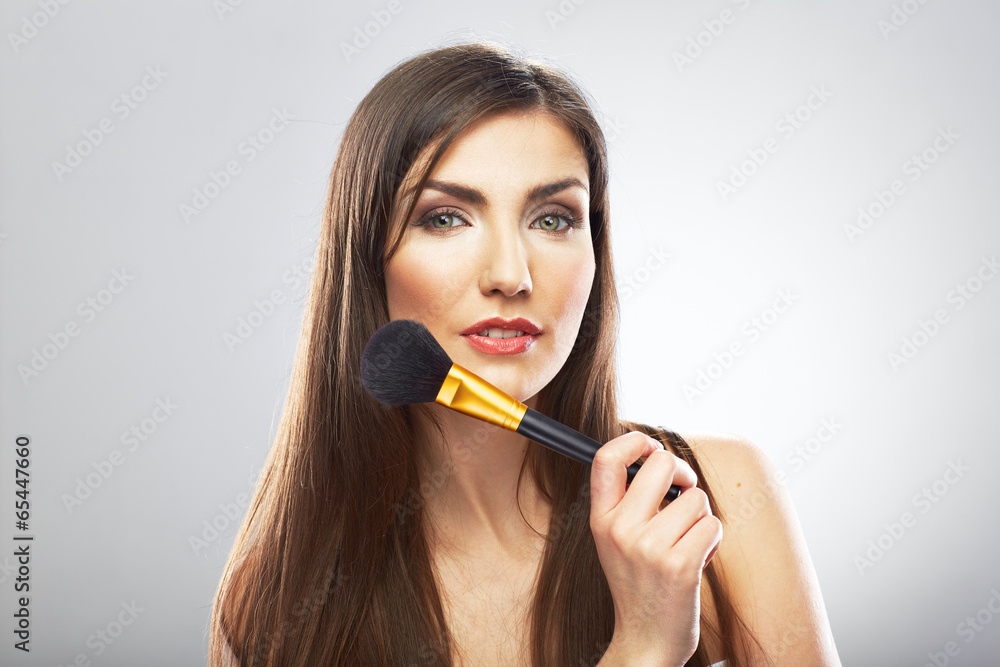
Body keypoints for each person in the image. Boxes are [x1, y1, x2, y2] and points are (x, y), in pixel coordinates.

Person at [208, 41, 841, 666]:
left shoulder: (719, 498)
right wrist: (644, 650)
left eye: (553, 219)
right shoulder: (276, 601)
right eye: (446, 217)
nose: (511, 275)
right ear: (368, 257)